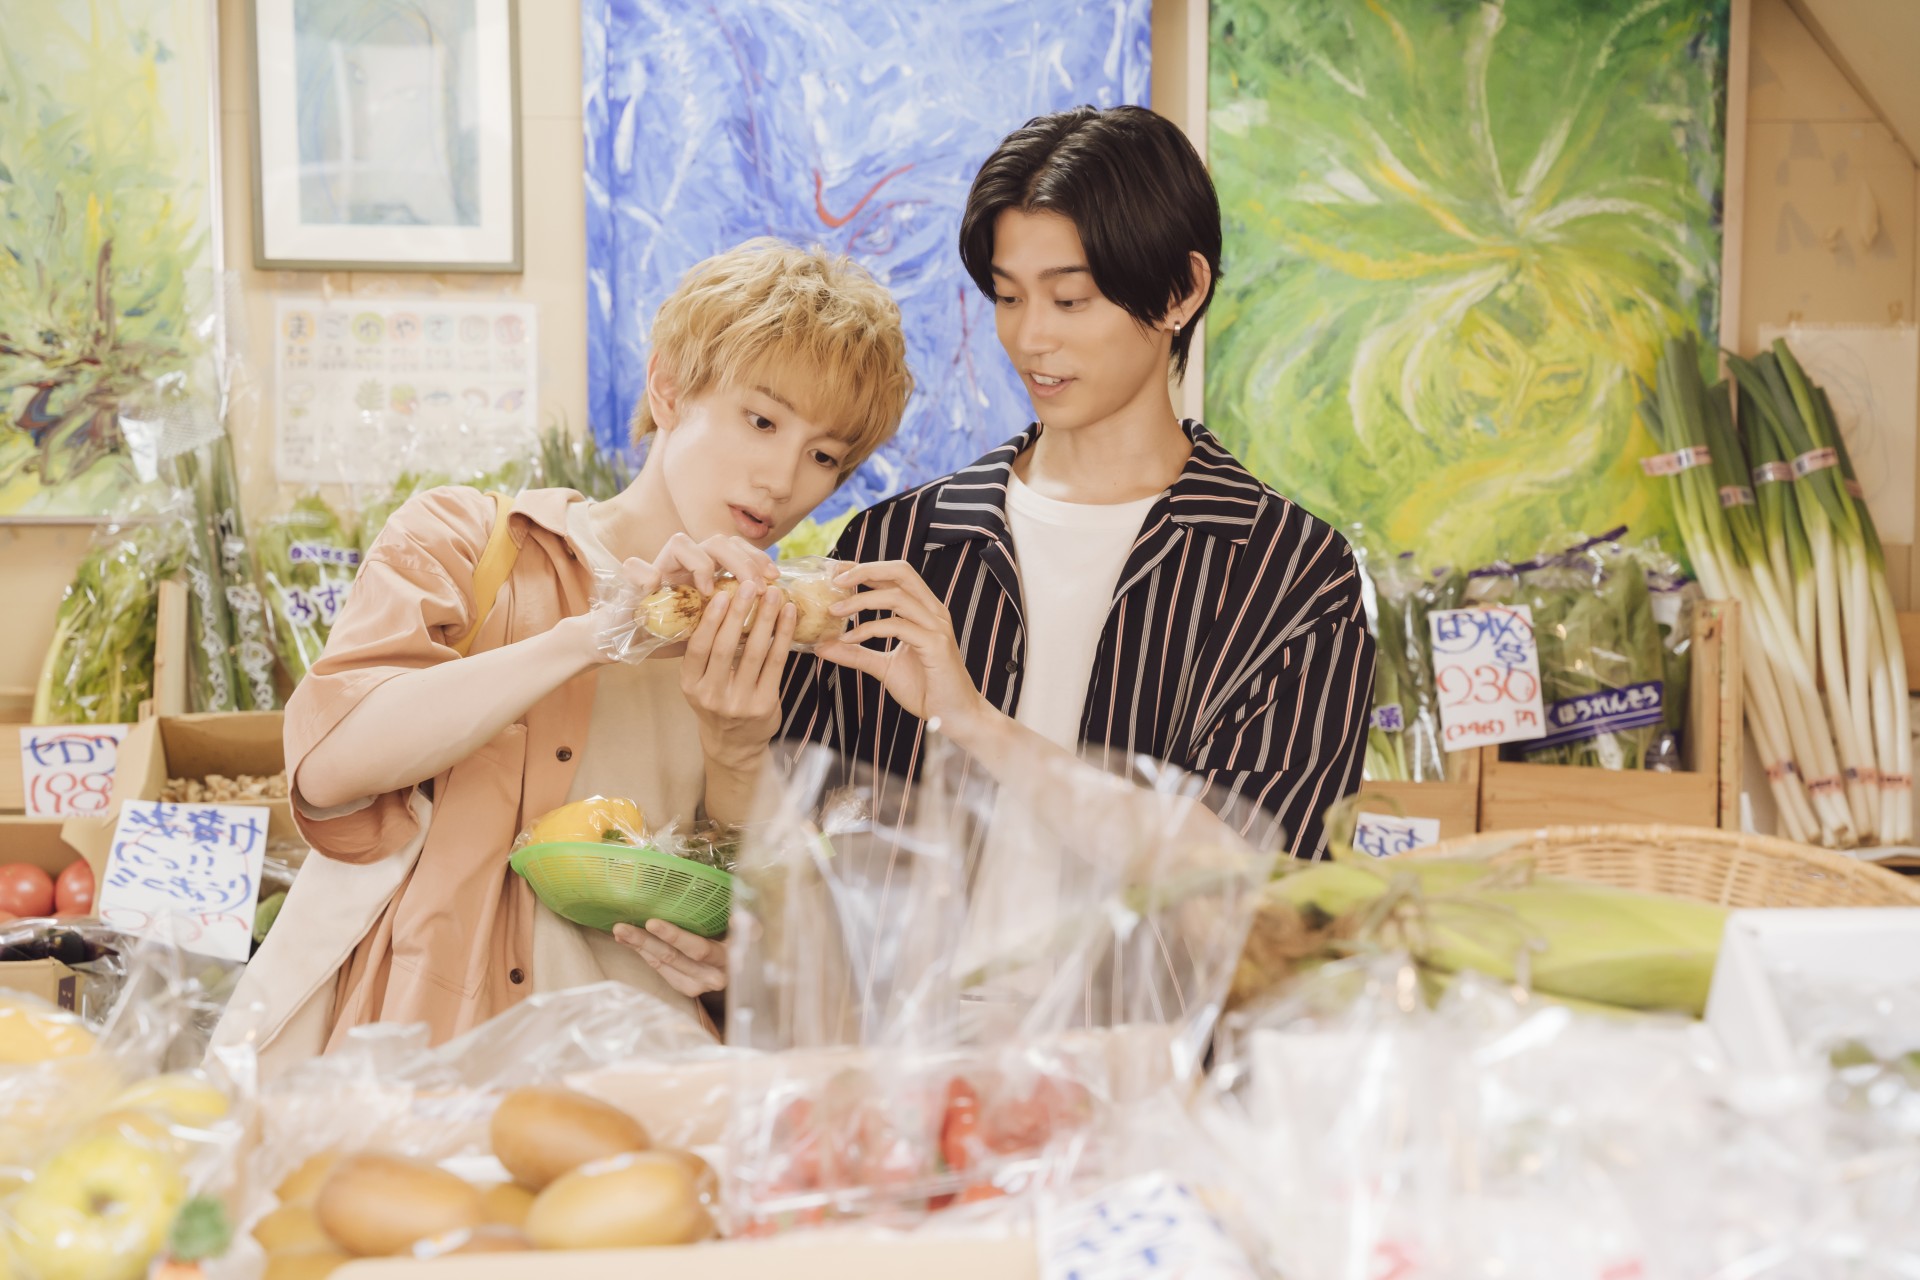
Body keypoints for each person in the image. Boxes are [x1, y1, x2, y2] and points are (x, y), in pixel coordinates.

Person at [641, 106, 1377, 1002]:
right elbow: (802, 851)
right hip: (894, 1065)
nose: (1031, 338)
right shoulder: (897, 547)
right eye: (1009, 296)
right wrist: (757, 941)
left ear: (1183, 292)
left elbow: (1262, 906)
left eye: (1070, 299)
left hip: (1149, 1072)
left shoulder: (1292, 576)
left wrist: (974, 723)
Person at [214, 240, 913, 1072]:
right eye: (761, 420)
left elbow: (762, 929)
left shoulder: (780, 639)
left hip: (638, 1079)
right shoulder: (466, 541)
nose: (782, 478)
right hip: (422, 1060)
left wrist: (736, 767)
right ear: (669, 389)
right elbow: (331, 768)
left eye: (824, 455)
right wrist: (595, 634)